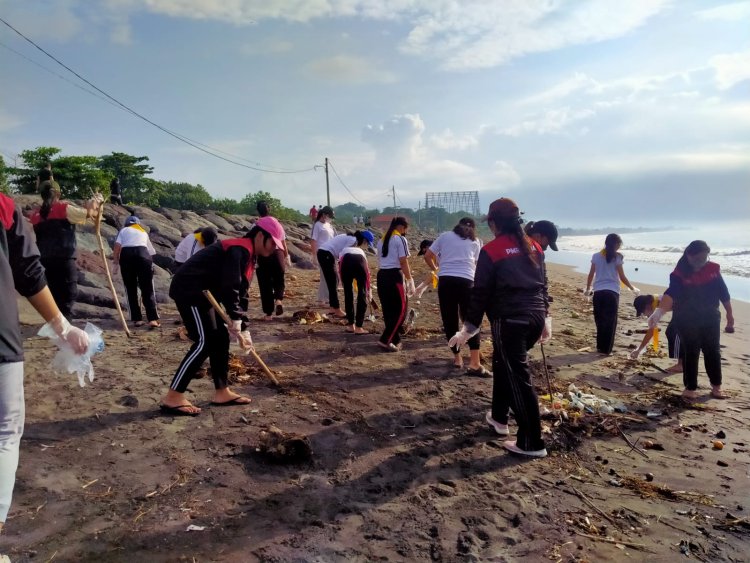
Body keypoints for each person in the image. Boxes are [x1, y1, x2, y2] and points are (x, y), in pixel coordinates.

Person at [0, 192, 89, 536]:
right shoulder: (6, 206)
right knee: (5, 432)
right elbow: (28, 272)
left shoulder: (36, 214)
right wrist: (62, 327)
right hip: (2, 338)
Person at [450, 198, 550, 458]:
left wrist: (468, 328)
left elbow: (480, 292)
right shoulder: (535, 247)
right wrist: (546, 318)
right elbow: (543, 284)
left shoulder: (492, 251)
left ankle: (532, 442)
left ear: (494, 223)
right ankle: (498, 418)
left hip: (510, 321)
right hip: (534, 317)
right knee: (502, 364)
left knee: (519, 377)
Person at [160, 217, 285, 415]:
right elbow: (230, 285)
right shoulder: (239, 249)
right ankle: (173, 396)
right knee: (205, 341)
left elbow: (241, 293)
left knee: (220, 338)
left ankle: (222, 391)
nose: (272, 250)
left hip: (205, 295)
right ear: (261, 235)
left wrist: (243, 328)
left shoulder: (250, 256)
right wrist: (235, 318)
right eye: (272, 243)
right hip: (190, 290)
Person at [648, 240, 734, 400]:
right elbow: (671, 293)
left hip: (710, 316)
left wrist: (730, 314)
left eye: (704, 259)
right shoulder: (679, 273)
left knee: (712, 351)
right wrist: (659, 312)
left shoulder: (713, 269)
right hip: (686, 317)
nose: (701, 263)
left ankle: (716, 386)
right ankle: (690, 387)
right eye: (698, 259)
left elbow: (724, 292)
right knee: (691, 350)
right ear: (689, 255)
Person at [29, 181, 102, 319]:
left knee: (53, 293)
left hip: (44, 260)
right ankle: (66, 327)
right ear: (58, 194)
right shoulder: (64, 208)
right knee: (68, 295)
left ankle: (57, 325)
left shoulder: (36, 214)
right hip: (64, 258)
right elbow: (90, 213)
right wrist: (96, 201)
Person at [423, 218, 486, 374]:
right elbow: (478, 266)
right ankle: (474, 362)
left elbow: (427, 256)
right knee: (470, 321)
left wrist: (437, 269)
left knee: (449, 319)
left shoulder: (445, 236)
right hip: (467, 282)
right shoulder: (476, 241)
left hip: (446, 282)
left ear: (457, 225)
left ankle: (457, 359)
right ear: (473, 228)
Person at [584, 233, 639, 355]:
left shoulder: (596, 256)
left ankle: (600, 347)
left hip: (598, 292)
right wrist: (632, 288)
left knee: (600, 320)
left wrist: (588, 289)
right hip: (612, 292)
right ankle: (606, 349)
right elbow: (622, 277)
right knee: (610, 322)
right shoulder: (617, 258)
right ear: (617, 244)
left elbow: (591, 274)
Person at [112, 215, 160, 328]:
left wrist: (115, 262)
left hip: (127, 256)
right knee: (147, 288)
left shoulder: (123, 230)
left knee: (130, 288)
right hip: (143, 255)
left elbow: (117, 246)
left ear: (127, 224)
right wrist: (150, 265)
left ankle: (137, 319)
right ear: (137, 224)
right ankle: (152, 319)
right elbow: (151, 252)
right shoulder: (142, 231)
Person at [376, 216, 414, 352]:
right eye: (405, 229)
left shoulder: (382, 240)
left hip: (382, 275)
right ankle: (385, 339)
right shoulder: (400, 239)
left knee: (388, 309)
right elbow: (403, 261)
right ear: (402, 227)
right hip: (394, 276)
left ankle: (395, 338)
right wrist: (410, 280)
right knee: (400, 310)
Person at [318, 231, 373, 318]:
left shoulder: (352, 239)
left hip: (325, 253)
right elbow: (344, 255)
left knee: (333, 281)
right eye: (366, 243)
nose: (366, 245)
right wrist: (342, 273)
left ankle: (333, 307)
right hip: (326, 253)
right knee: (333, 281)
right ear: (363, 240)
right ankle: (336, 309)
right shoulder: (353, 240)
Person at [255, 202, 291, 320]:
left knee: (265, 284)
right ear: (269, 210)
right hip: (278, 254)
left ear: (258, 211)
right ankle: (279, 300)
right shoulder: (277, 224)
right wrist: (286, 256)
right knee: (279, 280)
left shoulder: (257, 224)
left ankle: (268, 314)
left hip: (263, 255)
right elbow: (283, 242)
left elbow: (254, 242)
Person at [631, 294, 683, 373]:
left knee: (673, 331)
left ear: (647, 306)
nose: (644, 314)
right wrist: (654, 346)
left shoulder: (660, 302)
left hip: (690, 308)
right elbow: (653, 330)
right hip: (684, 309)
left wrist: (639, 350)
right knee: (671, 331)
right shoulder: (655, 303)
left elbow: (652, 330)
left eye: (643, 312)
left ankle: (681, 365)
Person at [339, 231, 375, 334]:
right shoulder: (361, 252)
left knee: (348, 295)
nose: (367, 246)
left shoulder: (344, 249)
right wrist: (368, 289)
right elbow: (367, 272)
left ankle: (351, 326)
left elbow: (340, 266)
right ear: (364, 241)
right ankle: (359, 327)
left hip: (346, 262)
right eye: (368, 244)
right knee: (362, 294)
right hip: (359, 261)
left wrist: (342, 281)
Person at [310, 205, 336, 305]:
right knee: (325, 275)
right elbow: (313, 240)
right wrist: (314, 255)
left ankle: (324, 298)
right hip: (322, 252)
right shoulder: (317, 225)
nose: (330, 219)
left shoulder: (329, 225)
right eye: (329, 216)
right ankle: (324, 298)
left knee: (329, 276)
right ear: (324, 214)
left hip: (331, 252)